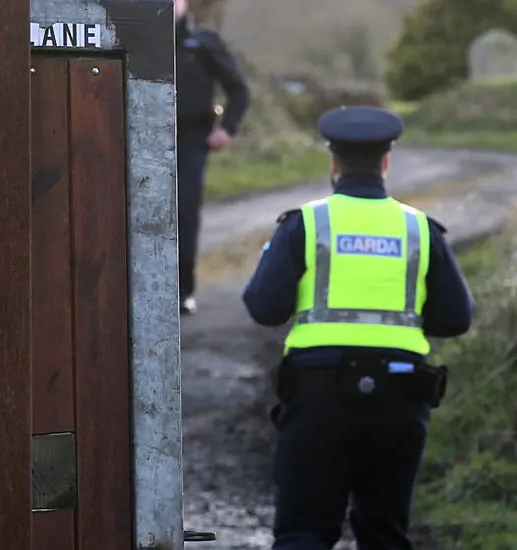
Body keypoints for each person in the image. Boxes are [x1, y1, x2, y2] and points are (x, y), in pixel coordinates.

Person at [241, 106, 475, 549]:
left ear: (334, 164)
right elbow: (456, 318)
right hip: (400, 397)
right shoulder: (420, 229)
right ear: (386, 164)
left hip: (316, 395)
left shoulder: (305, 224)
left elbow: (264, 308)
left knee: (304, 532)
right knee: (385, 532)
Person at [174, 0, 249, 314]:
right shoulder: (135, 38)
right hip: (138, 138)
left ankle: (181, 291)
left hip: (190, 140)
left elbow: (238, 89)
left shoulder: (202, 43)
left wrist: (227, 130)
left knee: (184, 212)